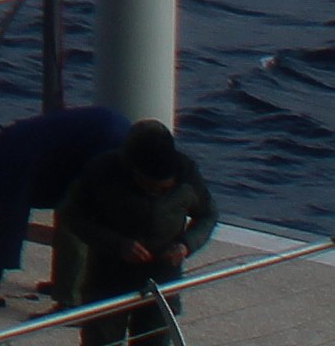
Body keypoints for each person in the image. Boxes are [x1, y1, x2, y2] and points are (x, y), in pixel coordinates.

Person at [0, 106, 126, 307]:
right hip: (104, 132)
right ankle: (67, 282)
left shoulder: (3, 167)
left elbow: (7, 222)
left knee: (73, 218)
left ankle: (68, 303)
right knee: (69, 206)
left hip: (103, 142)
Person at [51, 115, 214, 343]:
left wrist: (186, 245)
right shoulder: (102, 171)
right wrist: (118, 245)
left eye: (163, 190)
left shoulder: (188, 175)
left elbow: (208, 215)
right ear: (132, 168)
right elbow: (72, 215)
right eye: (148, 186)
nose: (154, 193)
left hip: (162, 280)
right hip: (107, 279)